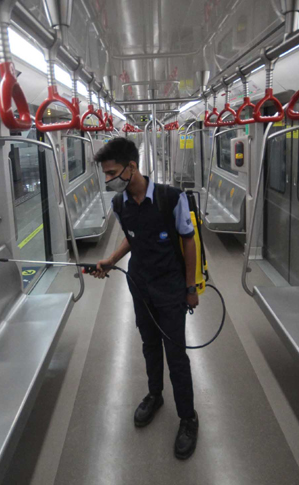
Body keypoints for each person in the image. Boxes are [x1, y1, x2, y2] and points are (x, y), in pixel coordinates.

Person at [90, 137, 200, 460]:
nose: (108, 180)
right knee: (149, 345)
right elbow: (133, 238)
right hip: (140, 286)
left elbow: (189, 241)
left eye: (111, 173)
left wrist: (191, 287)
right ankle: (155, 395)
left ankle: (188, 417)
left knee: (176, 354)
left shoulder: (171, 198)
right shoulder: (120, 205)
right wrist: (111, 259)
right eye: (105, 174)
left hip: (170, 288)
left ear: (132, 167)